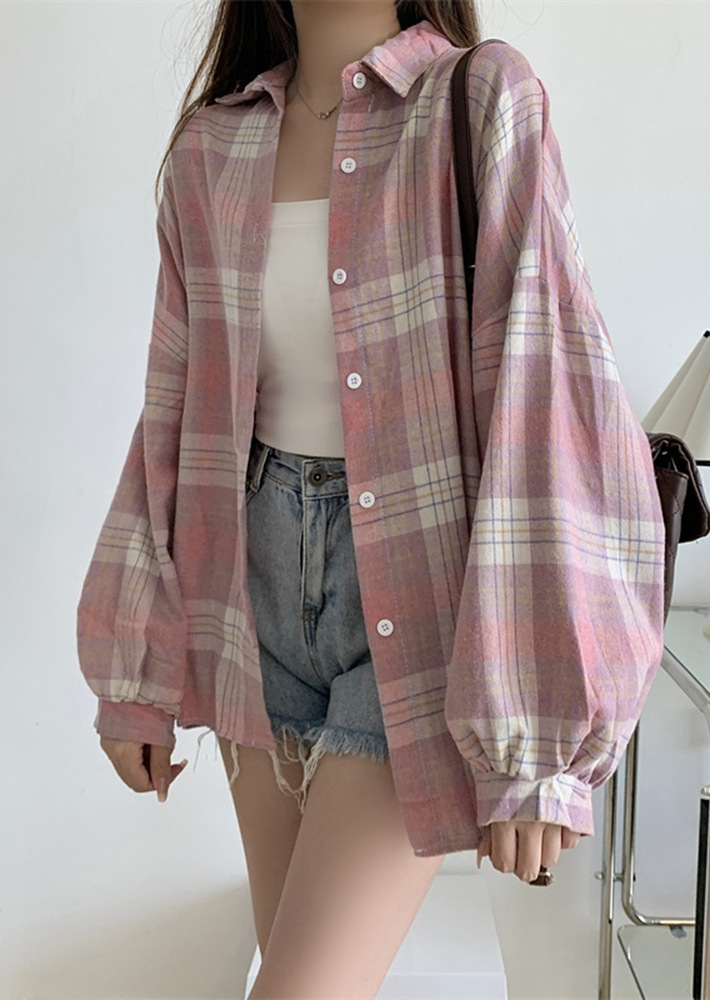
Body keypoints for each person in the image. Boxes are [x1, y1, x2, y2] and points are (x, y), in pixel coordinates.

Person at [76, 1, 666, 997]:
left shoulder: (480, 100)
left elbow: (545, 394)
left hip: (419, 606)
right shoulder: (211, 148)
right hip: (248, 606)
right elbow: (172, 414)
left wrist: (537, 745)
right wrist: (137, 667)